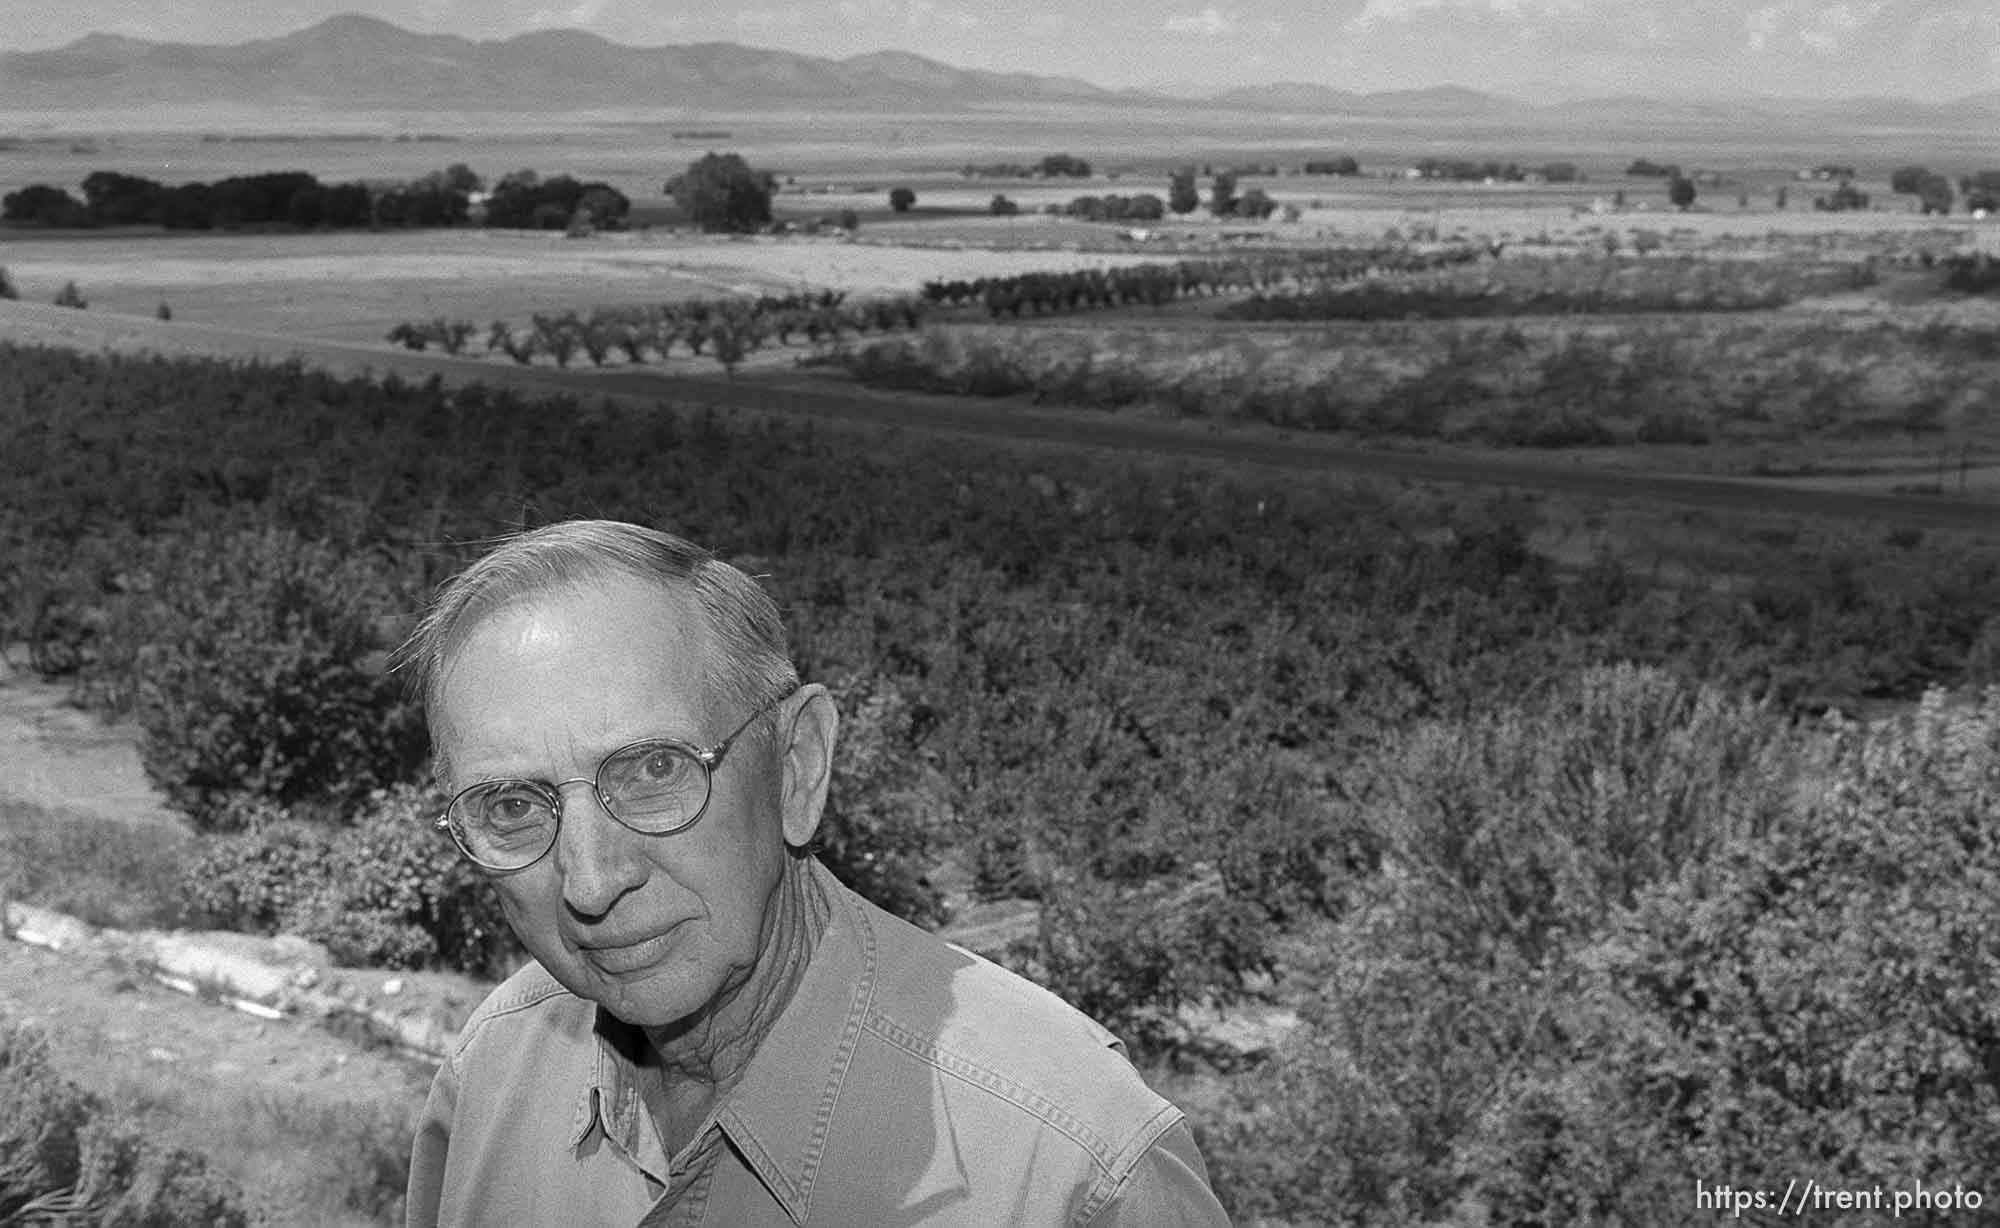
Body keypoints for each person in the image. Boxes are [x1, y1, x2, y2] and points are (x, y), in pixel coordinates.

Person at [396, 519, 1231, 1227]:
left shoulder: (1071, 1170)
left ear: (797, 767)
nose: (590, 880)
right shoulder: (493, 1077)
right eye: (511, 807)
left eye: (654, 772)